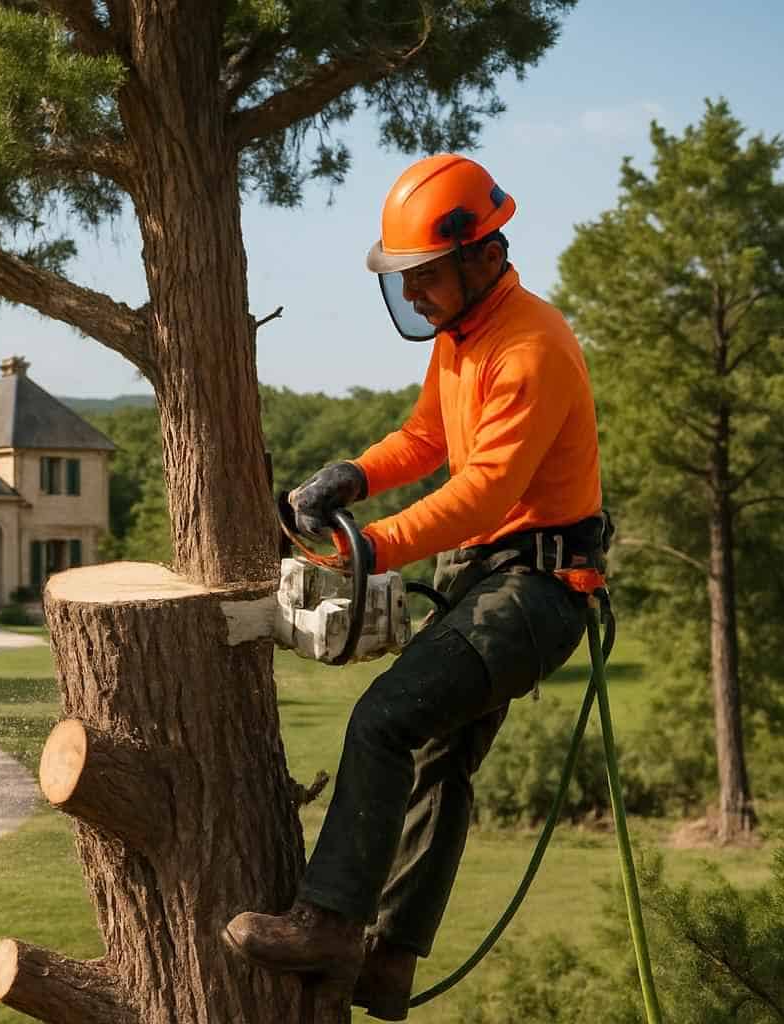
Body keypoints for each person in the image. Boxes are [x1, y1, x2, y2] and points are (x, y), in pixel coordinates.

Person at [223, 154, 608, 1021]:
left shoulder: (531, 347)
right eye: (410, 281)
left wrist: (364, 550)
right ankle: (389, 964)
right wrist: (350, 477)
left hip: (538, 589)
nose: (420, 296)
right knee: (439, 759)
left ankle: (329, 923)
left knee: (385, 720)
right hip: (485, 577)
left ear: (480, 254)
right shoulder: (462, 337)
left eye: (427, 278)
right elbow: (426, 437)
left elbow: (485, 493)